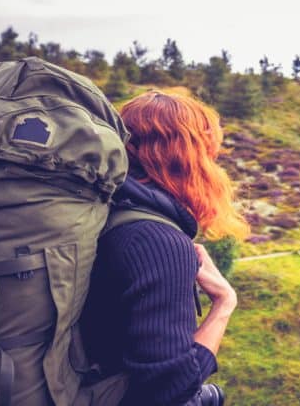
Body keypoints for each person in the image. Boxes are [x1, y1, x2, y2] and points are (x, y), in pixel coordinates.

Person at [81, 91, 250, 405]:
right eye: (208, 155)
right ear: (188, 159)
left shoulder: (107, 212)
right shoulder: (158, 241)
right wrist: (224, 303)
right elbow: (171, 388)